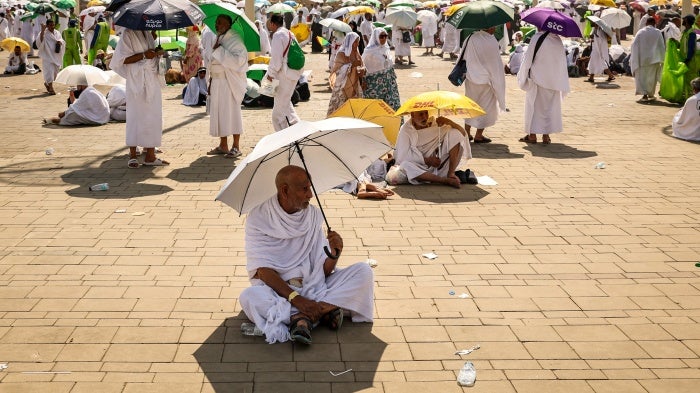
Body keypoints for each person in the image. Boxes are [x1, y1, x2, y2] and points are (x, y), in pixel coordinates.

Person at [238, 165, 374, 344]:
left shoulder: (312, 216)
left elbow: (323, 272)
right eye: (304, 189)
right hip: (278, 291)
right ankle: (324, 311)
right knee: (249, 297)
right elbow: (262, 271)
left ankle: (302, 319)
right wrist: (297, 299)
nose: (310, 194)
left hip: (314, 286)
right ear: (285, 190)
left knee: (364, 271)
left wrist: (335, 253)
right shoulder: (259, 218)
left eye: (310, 188)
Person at [110, 28, 168, 168]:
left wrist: (157, 52)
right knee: (135, 115)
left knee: (153, 116)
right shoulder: (128, 34)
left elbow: (150, 55)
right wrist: (144, 55)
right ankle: (133, 154)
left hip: (151, 79)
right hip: (136, 81)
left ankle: (150, 154)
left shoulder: (148, 33)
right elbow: (121, 60)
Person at [517, 31, 570, 145]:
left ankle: (532, 136)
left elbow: (528, 59)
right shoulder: (557, 40)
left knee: (533, 107)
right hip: (553, 81)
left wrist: (523, 76)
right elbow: (560, 62)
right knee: (549, 108)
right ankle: (546, 136)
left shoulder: (536, 38)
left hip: (537, 79)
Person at [394, 110, 470, 188]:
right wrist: (427, 160)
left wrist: (449, 122)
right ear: (412, 115)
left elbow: (462, 133)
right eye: (420, 114)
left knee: (455, 133)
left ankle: (451, 174)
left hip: (436, 167)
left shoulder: (435, 124)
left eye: (426, 113)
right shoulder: (406, 130)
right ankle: (444, 180)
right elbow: (402, 157)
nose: (425, 117)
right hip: (417, 167)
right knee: (404, 166)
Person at [207, 14, 248, 158]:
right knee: (219, 113)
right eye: (216, 23)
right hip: (217, 82)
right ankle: (223, 145)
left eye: (220, 23)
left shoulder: (235, 39)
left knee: (232, 113)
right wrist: (210, 81)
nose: (217, 25)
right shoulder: (219, 37)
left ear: (228, 24)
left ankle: (236, 146)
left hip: (229, 83)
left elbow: (240, 61)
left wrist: (219, 50)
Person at [462, 26, 506, 143]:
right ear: (488, 27)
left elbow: (463, 56)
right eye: (493, 26)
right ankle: (478, 135)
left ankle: (466, 132)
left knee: (470, 105)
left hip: (471, 78)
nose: (495, 29)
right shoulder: (491, 40)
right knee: (485, 107)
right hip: (487, 80)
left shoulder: (471, 38)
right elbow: (495, 63)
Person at [267, 13, 302, 131]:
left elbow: (276, 60)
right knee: (286, 105)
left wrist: (270, 75)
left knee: (278, 113)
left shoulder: (277, 35)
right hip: (293, 73)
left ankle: (283, 137)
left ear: (272, 24)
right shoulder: (289, 33)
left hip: (284, 75)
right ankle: (298, 130)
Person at [361, 28, 400, 110]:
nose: (384, 39)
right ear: (376, 37)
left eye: (386, 36)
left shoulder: (386, 49)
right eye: (381, 36)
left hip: (389, 83)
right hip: (375, 85)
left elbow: (389, 65)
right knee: (376, 108)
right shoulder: (369, 52)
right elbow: (363, 67)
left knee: (392, 106)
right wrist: (362, 81)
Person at [327, 32, 364, 116]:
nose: (357, 44)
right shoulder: (341, 54)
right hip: (342, 85)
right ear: (349, 42)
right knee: (340, 106)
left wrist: (361, 69)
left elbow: (362, 65)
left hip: (354, 83)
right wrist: (351, 65)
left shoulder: (356, 53)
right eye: (355, 42)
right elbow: (337, 70)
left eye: (358, 42)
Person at [630, 17, 665, 101]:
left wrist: (635, 58)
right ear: (654, 24)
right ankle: (650, 94)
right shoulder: (658, 32)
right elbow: (661, 46)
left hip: (642, 59)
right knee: (651, 78)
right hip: (654, 59)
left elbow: (634, 45)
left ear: (646, 23)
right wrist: (662, 59)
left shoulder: (640, 32)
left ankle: (644, 95)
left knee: (642, 77)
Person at [45, 84, 110, 125]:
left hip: (99, 119)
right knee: (72, 111)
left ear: (82, 85)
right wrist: (71, 95)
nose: (77, 87)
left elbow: (75, 107)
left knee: (71, 114)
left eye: (78, 85)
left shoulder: (87, 93)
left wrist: (64, 113)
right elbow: (78, 104)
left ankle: (56, 120)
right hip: (103, 117)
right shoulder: (90, 90)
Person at [38, 19, 64, 95]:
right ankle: (51, 87)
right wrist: (42, 30)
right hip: (47, 56)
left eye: (53, 25)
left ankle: (47, 84)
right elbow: (40, 42)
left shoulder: (57, 32)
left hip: (56, 56)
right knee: (49, 72)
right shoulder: (44, 33)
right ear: (47, 26)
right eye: (50, 25)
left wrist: (60, 42)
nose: (52, 27)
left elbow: (62, 40)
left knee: (55, 74)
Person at [672, 77, 700, 141]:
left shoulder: (691, 100)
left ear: (695, 89)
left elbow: (682, 117)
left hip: (693, 131)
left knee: (677, 116)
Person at [679, 15, 700, 101]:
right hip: (685, 60)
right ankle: (687, 100)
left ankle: (692, 100)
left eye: (684, 19)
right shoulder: (685, 32)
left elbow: (691, 48)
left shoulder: (691, 33)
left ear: (687, 21)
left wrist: (688, 59)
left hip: (690, 61)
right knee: (686, 81)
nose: (683, 20)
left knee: (691, 81)